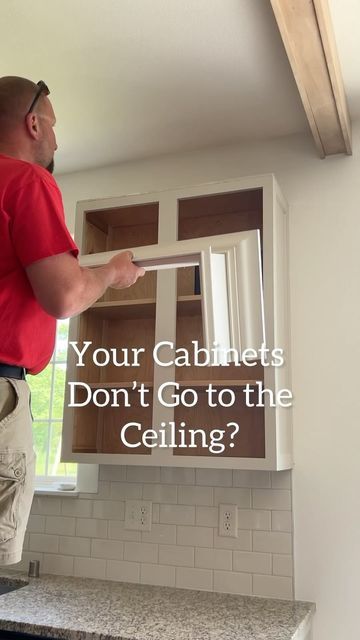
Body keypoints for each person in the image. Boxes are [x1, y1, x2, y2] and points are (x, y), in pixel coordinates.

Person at [0, 76, 145, 565]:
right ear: (33, 123)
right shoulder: (26, 181)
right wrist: (110, 274)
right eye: (55, 126)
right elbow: (64, 295)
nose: (59, 140)